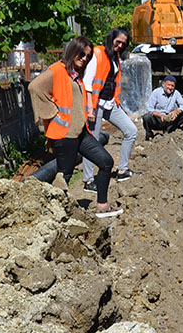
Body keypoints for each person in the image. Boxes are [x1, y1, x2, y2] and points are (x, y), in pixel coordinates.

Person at [27, 36, 123, 218]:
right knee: (65, 176)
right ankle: (52, 216)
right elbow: (34, 87)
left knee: (106, 162)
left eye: (87, 56)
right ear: (73, 50)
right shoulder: (57, 70)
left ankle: (102, 206)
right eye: (81, 54)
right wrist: (52, 114)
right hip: (65, 134)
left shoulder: (75, 74)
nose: (84, 58)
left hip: (80, 132)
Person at [81, 27, 139, 193]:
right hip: (96, 104)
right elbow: (87, 82)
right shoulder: (98, 53)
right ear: (111, 39)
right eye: (118, 41)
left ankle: (122, 170)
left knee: (131, 130)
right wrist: (90, 109)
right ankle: (88, 180)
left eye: (123, 44)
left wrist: (116, 100)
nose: (120, 45)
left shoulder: (115, 58)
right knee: (91, 141)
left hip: (110, 103)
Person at [142, 75, 183, 141]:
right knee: (146, 117)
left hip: (170, 120)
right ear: (163, 84)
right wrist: (161, 115)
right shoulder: (156, 92)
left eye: (172, 86)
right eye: (168, 85)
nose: (170, 88)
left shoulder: (176, 93)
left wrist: (176, 112)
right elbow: (150, 109)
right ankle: (149, 134)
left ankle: (169, 129)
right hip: (158, 119)